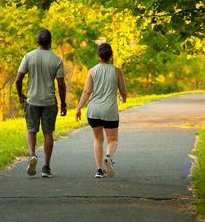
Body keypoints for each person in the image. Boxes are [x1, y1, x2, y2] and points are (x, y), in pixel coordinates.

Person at [15, 29, 67, 178]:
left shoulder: (28, 56)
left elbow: (18, 79)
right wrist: (63, 104)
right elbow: (61, 84)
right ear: (50, 41)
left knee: (31, 129)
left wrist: (20, 95)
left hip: (31, 100)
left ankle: (32, 155)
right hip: (49, 101)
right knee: (48, 132)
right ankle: (46, 167)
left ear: (37, 41)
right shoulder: (57, 59)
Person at [75, 43, 127, 178]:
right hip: (109, 110)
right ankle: (108, 157)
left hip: (94, 110)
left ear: (98, 55)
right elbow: (123, 91)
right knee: (113, 139)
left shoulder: (92, 71)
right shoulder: (117, 71)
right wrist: (124, 98)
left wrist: (79, 107)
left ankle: (99, 170)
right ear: (111, 55)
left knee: (98, 139)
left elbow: (87, 91)